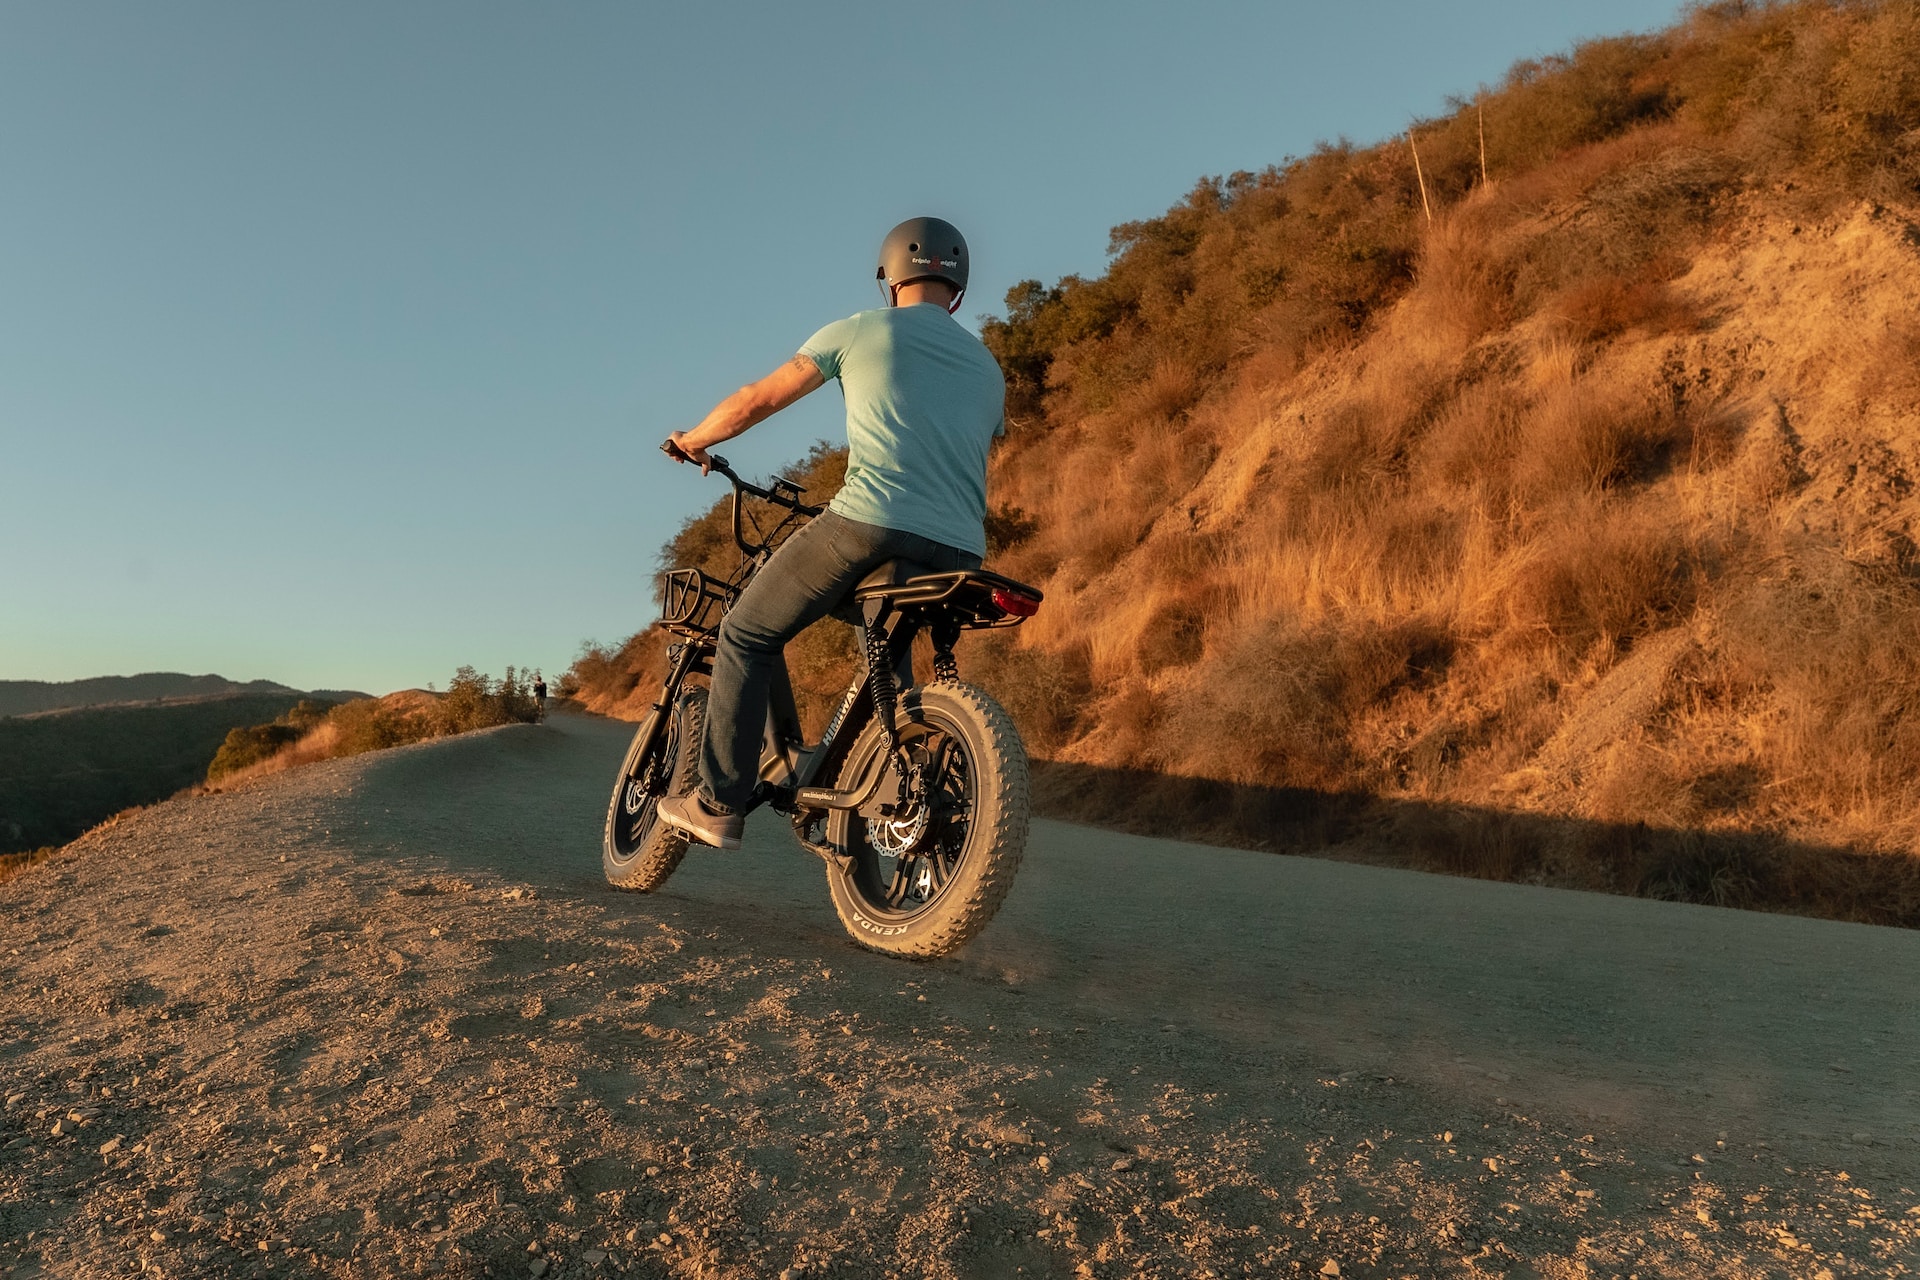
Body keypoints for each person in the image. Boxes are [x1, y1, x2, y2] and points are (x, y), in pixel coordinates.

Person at [655, 216, 1006, 851]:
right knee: (884, 638)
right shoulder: (987, 368)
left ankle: (716, 801)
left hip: (870, 516)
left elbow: (756, 399)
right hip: (961, 546)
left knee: (747, 630)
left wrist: (694, 440)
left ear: (889, 275)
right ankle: (869, 784)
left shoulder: (861, 330)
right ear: (957, 289)